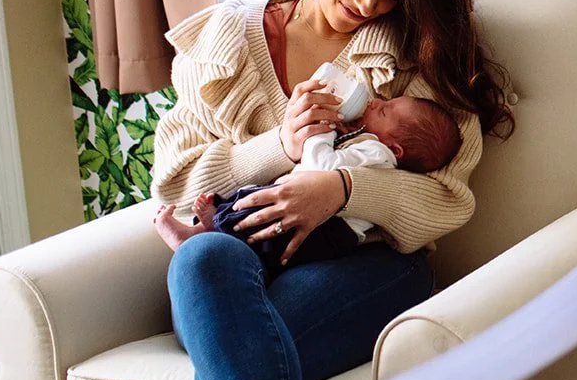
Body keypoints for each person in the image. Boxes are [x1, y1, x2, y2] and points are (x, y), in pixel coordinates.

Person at [151, 0, 513, 380]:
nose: (369, 5)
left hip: (368, 269)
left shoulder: (411, 50)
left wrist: (342, 189)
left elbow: (447, 198)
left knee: (233, 362)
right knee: (199, 259)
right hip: (245, 267)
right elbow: (173, 182)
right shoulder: (229, 41)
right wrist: (280, 148)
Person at [152, 85, 461, 275]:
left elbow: (321, 164)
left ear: (395, 148)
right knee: (260, 201)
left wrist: (321, 132)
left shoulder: (375, 153)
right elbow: (173, 186)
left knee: (265, 233)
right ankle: (211, 223)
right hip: (306, 211)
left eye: (384, 111)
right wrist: (284, 143)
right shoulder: (368, 147)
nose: (377, 101)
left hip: (326, 232)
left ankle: (201, 236)